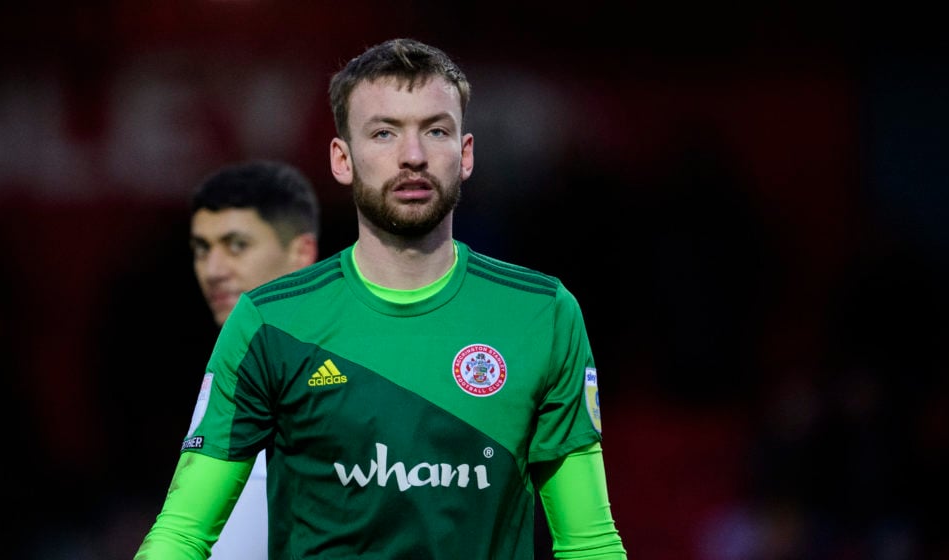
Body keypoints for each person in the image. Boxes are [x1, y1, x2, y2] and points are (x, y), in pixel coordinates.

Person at [135, 38, 626, 559]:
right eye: (384, 133)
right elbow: (183, 533)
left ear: (465, 155)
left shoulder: (542, 314)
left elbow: (589, 542)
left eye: (435, 130)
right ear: (342, 159)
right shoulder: (269, 323)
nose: (412, 156)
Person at [186, 159, 321, 559]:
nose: (213, 270)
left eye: (237, 245)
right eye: (201, 249)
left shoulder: (352, 381)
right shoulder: (230, 377)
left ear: (302, 253)